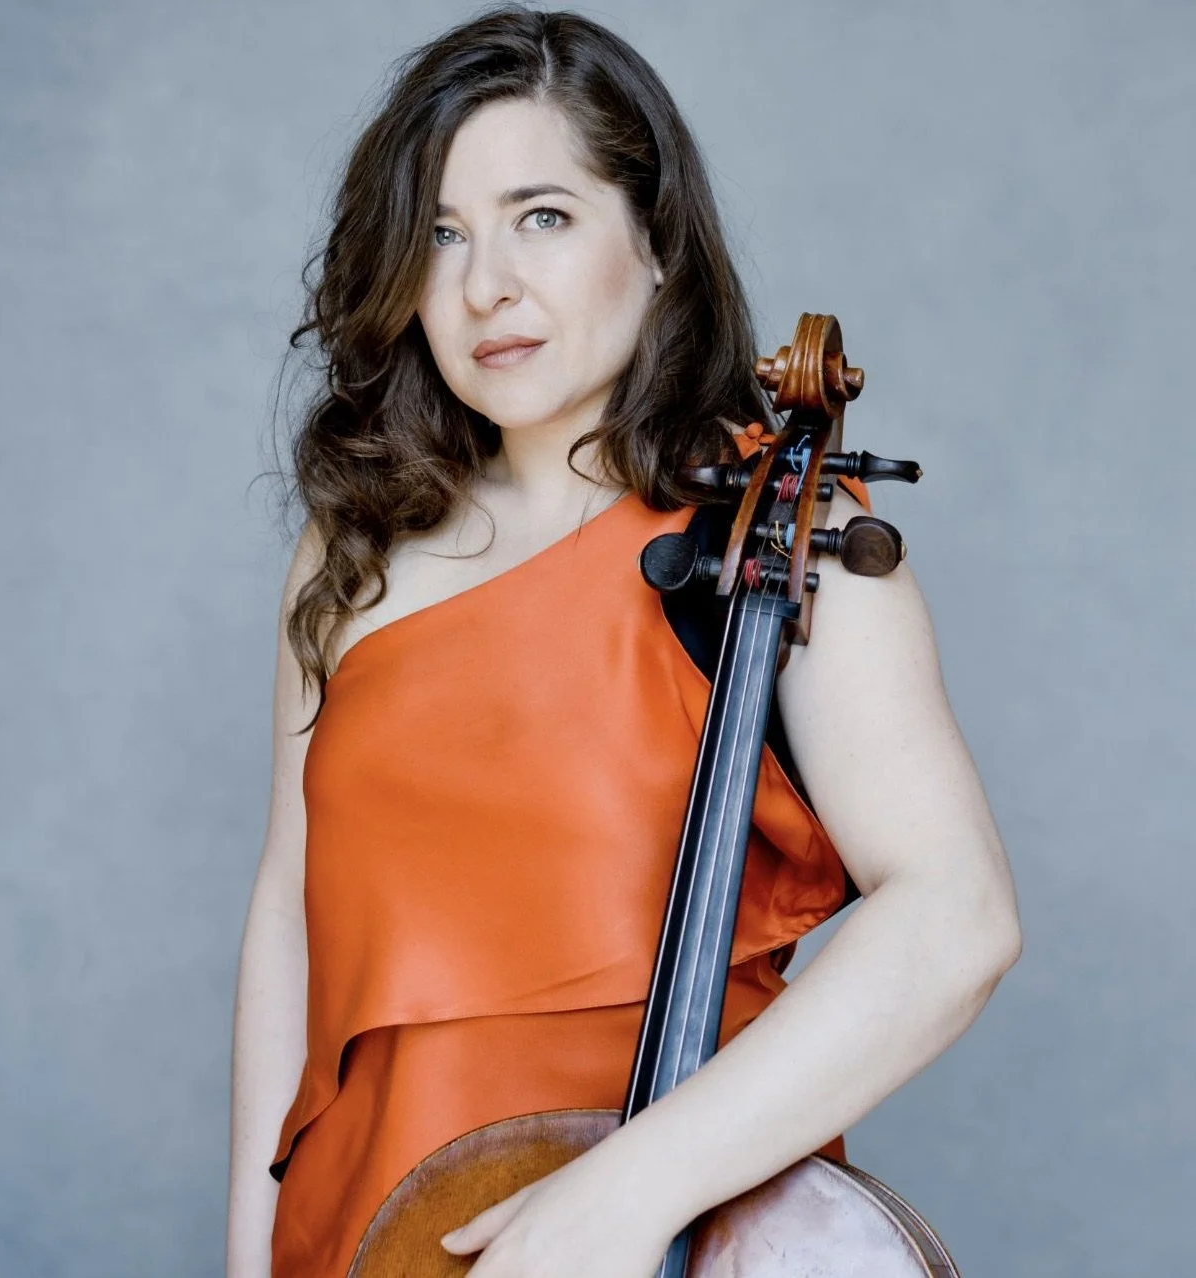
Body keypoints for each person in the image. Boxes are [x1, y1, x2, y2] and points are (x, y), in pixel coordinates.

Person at [225, 7, 1023, 1276]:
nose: (487, 284)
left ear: (654, 245)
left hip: (661, 1226)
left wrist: (623, 1194)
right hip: (366, 1234)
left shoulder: (784, 539)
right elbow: (290, 911)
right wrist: (251, 1257)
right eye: (441, 235)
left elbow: (955, 915)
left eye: (542, 216)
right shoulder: (354, 546)